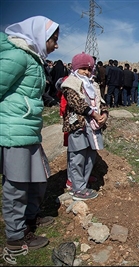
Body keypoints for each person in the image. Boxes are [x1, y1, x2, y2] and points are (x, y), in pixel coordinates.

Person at [0, 16, 59, 250]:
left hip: (30, 129)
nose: (56, 44)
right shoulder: (17, 56)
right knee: (17, 185)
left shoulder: (34, 59)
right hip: (14, 130)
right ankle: (15, 237)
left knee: (39, 178)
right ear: (40, 36)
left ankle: (30, 218)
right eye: (53, 39)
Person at [60, 52, 108, 201]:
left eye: (89, 69)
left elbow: (102, 103)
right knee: (77, 157)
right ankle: (77, 189)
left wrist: (104, 115)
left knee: (90, 156)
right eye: (83, 69)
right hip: (79, 126)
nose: (87, 72)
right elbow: (76, 103)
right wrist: (94, 114)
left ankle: (82, 182)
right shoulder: (70, 83)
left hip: (93, 127)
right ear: (76, 68)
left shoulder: (93, 85)